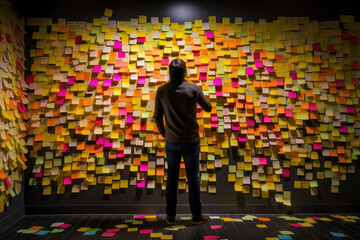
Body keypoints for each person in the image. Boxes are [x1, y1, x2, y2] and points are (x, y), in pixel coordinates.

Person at [153, 58, 212, 226]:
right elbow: (208, 108)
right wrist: (200, 94)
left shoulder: (161, 90)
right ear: (184, 72)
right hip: (191, 141)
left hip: (171, 142)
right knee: (193, 178)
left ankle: (170, 216)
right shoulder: (193, 89)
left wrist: (166, 134)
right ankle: (196, 215)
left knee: (171, 178)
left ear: (169, 72)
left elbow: (157, 116)